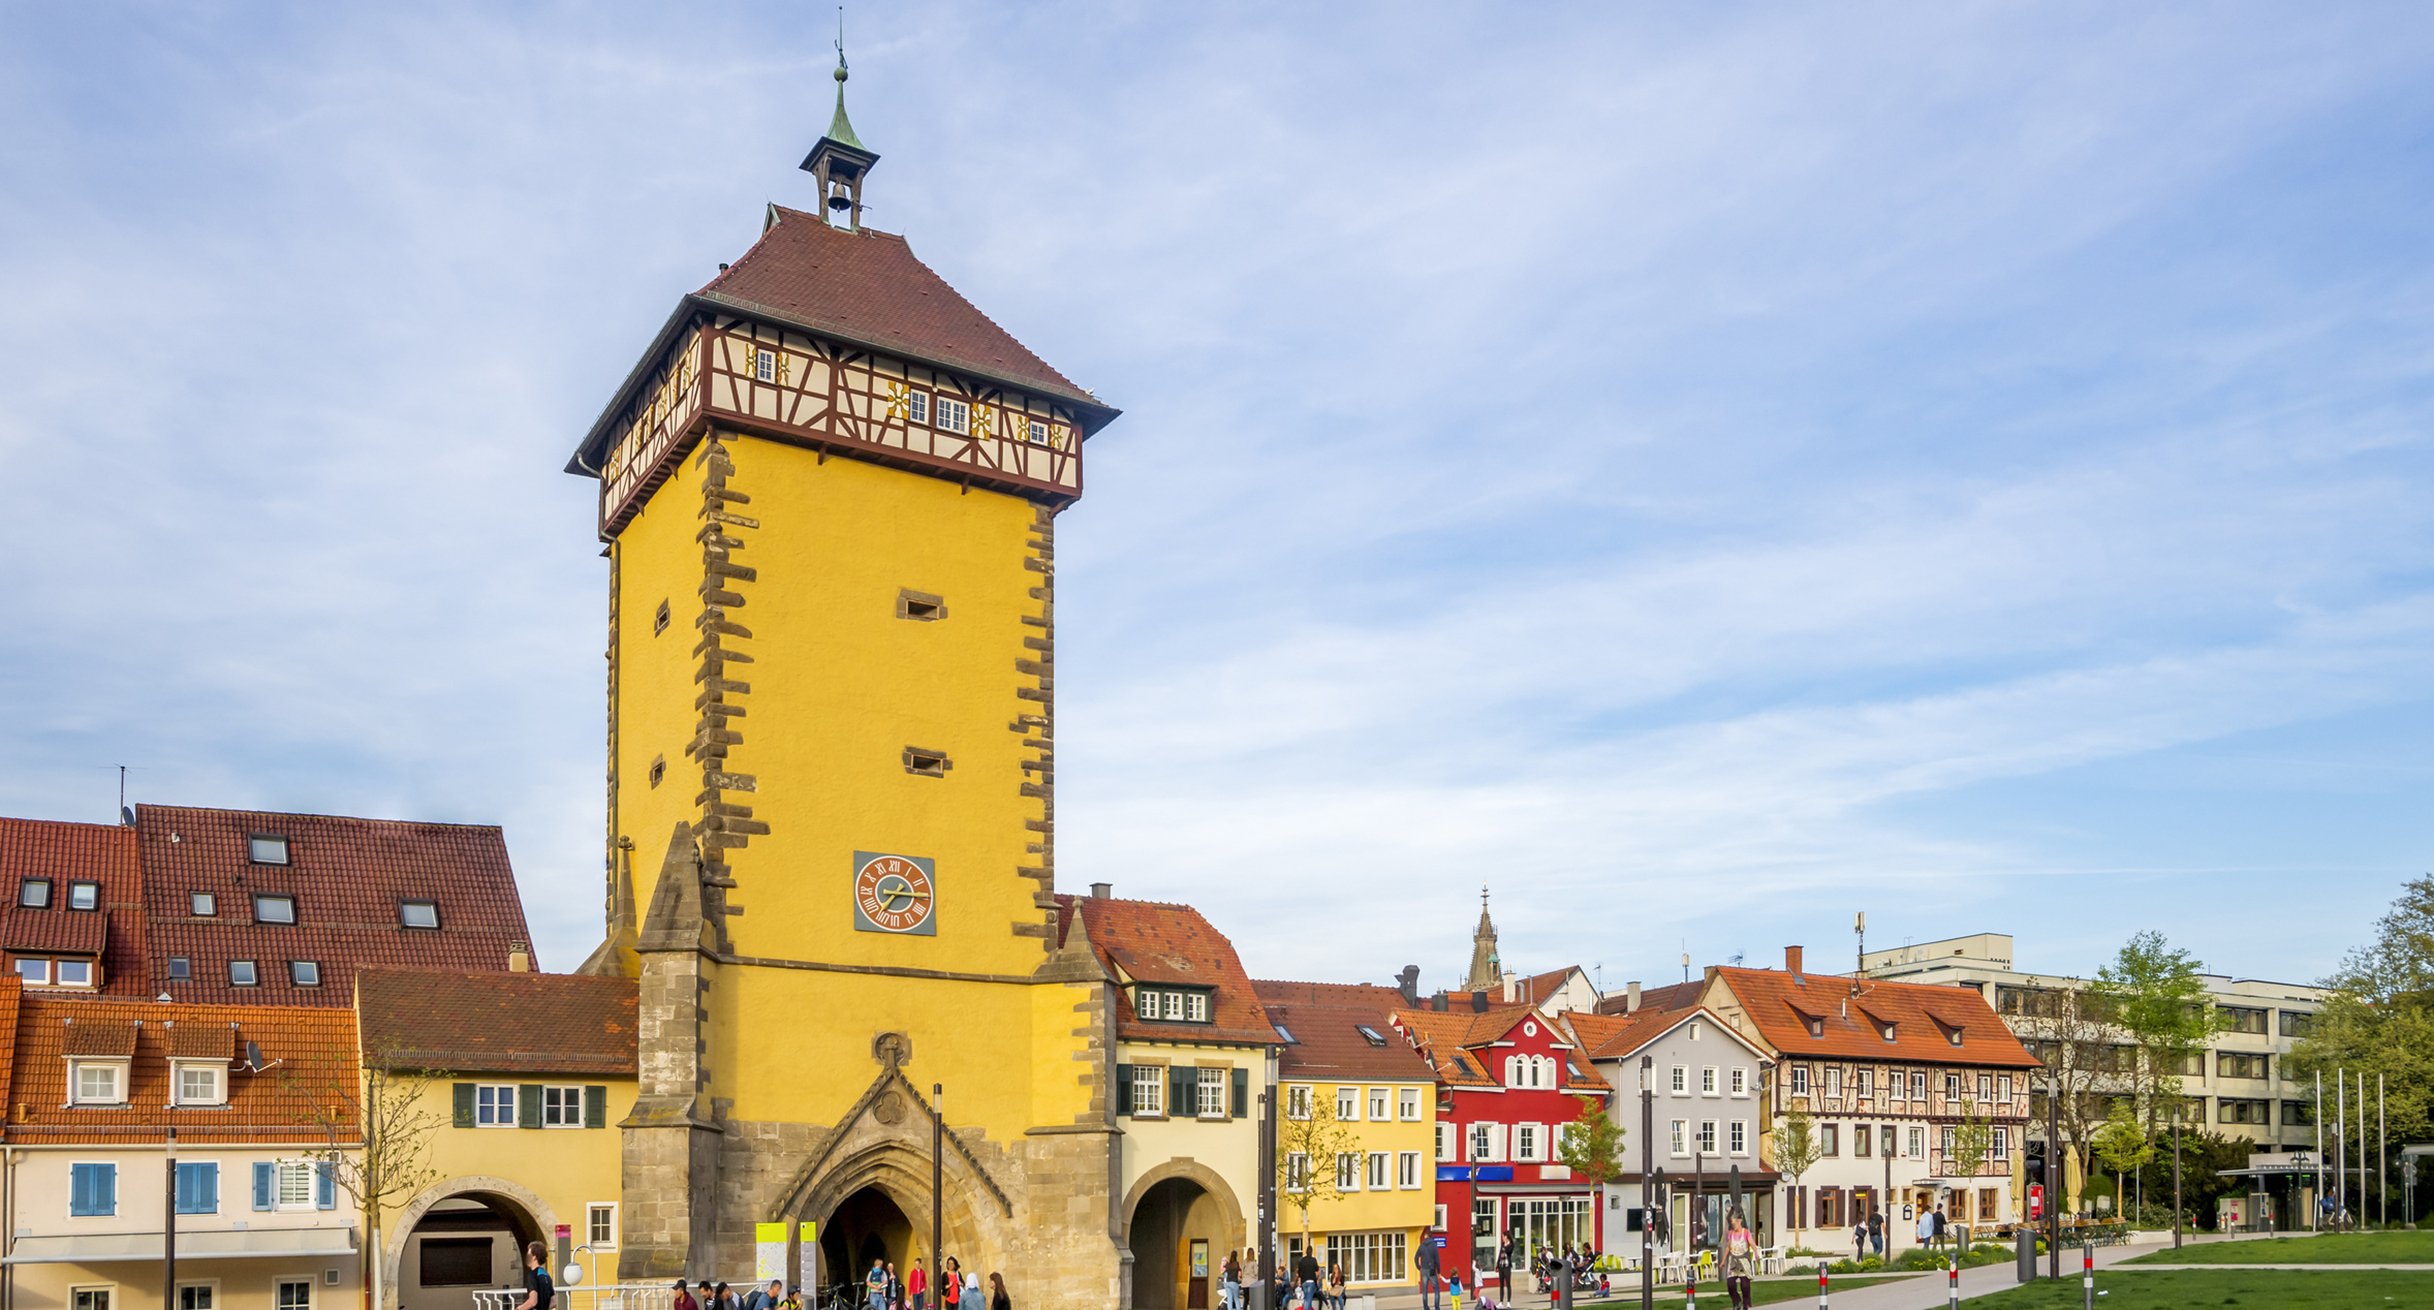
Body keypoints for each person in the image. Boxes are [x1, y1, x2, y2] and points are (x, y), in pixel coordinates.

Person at [1720, 1210, 1757, 1310]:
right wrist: (1723, 1260)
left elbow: (1752, 1243)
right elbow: (1728, 1247)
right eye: (1732, 1224)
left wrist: (1756, 1253)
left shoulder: (1746, 1232)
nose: (1733, 1226)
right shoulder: (1731, 1234)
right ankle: (1736, 1302)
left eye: (1733, 1223)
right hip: (1733, 1261)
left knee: (1745, 1285)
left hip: (1743, 1261)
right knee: (1730, 1283)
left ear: (1739, 1222)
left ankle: (1745, 1304)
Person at [517, 1242, 556, 1310]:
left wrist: (520, 1308)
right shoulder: (546, 1275)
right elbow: (554, 1302)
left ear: (534, 1257)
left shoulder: (532, 1275)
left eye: (528, 1254)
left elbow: (533, 1302)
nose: (526, 1256)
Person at [1417, 1230, 1442, 1310]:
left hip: (1424, 1269)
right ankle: (1437, 1307)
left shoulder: (1422, 1245)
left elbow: (1415, 1257)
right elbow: (1437, 1260)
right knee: (1436, 1289)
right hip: (1432, 1270)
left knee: (1424, 1289)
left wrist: (1419, 1267)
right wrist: (1439, 1272)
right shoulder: (1434, 1245)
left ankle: (1426, 1307)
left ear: (1425, 1236)